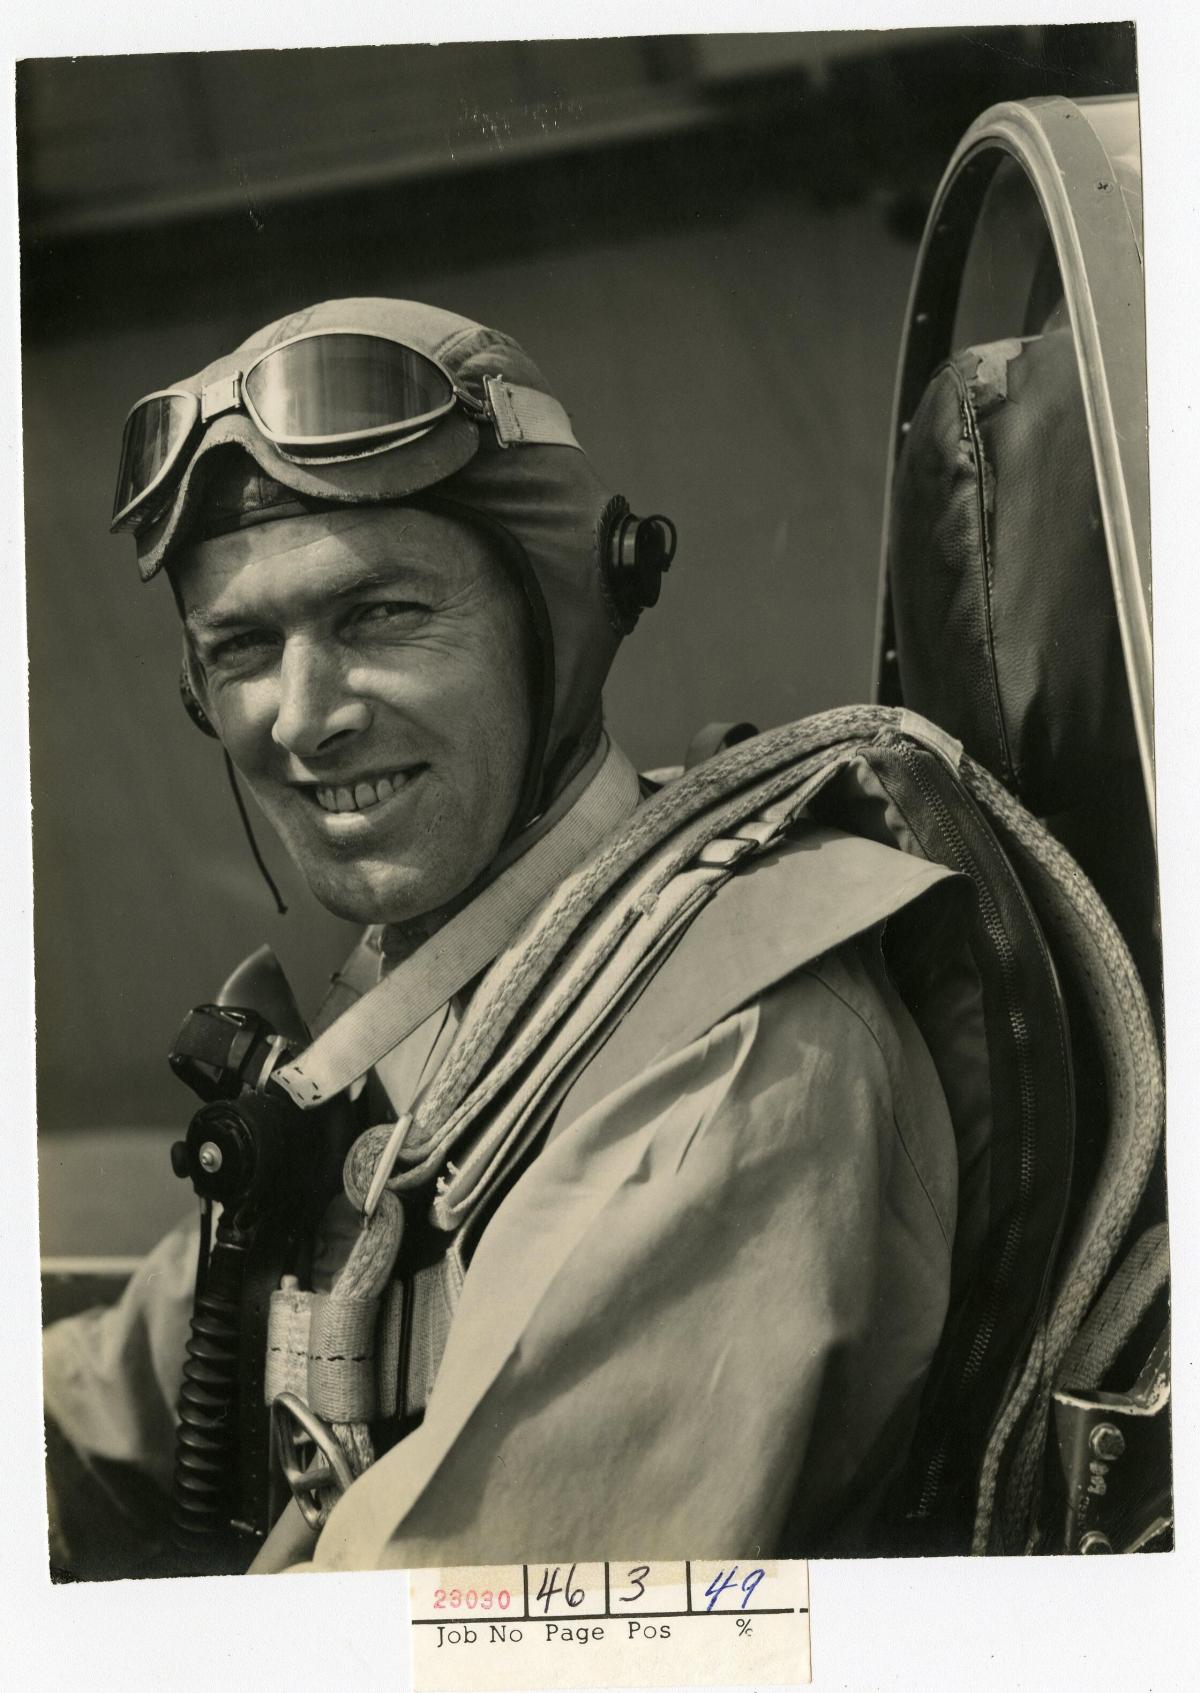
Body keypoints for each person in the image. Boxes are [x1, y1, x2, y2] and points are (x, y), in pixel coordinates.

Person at [42, 297, 965, 1578]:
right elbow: (109, 1393)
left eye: (379, 616)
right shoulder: (434, 992)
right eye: (242, 646)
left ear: (560, 616)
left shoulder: (728, 1042)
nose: (303, 719)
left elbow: (427, 1636)